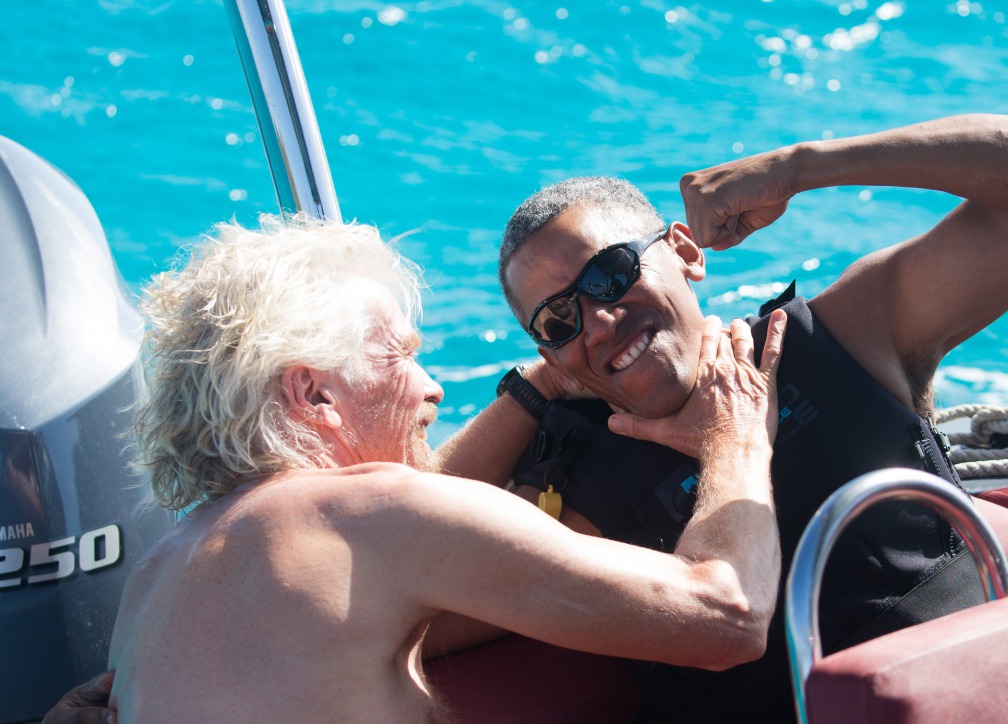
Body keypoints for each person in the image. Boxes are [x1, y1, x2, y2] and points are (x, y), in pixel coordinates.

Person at [495, 114, 1008, 722]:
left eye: (610, 274)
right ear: (550, 354)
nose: (600, 322)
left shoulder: (845, 340)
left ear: (685, 252)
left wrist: (803, 167)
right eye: (558, 321)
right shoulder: (574, 496)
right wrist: (527, 393)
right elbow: (417, 566)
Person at [97, 215, 788, 722]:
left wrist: (540, 387)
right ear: (314, 395)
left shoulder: (154, 580)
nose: (433, 388)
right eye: (400, 357)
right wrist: (737, 432)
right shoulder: (371, 519)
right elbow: (726, 615)